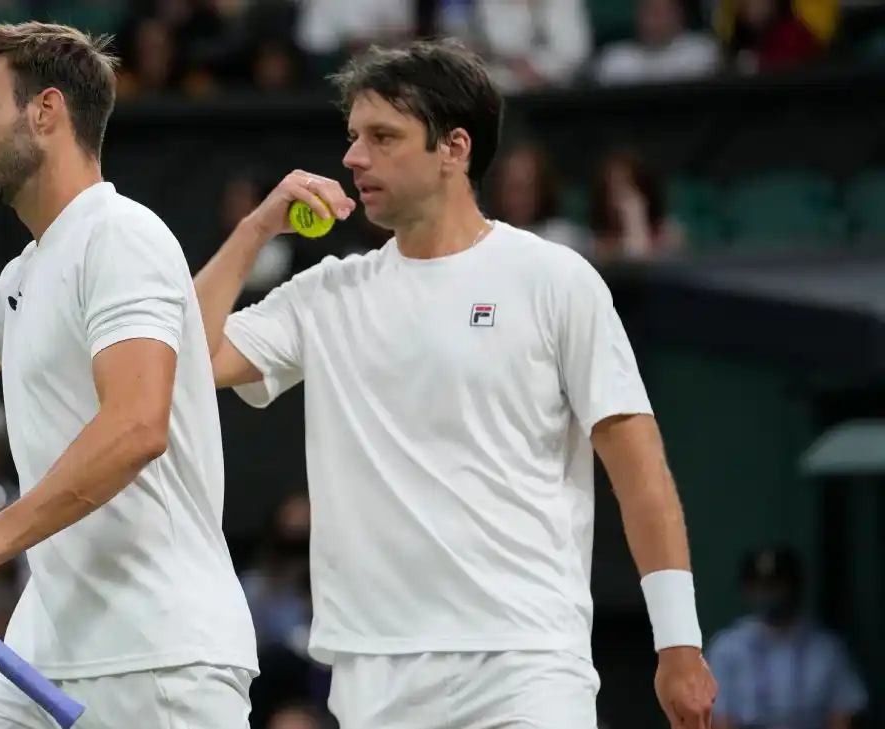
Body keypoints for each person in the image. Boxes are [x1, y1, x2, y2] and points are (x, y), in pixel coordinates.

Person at [193, 39, 717, 729]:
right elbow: (184, 361)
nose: (353, 158)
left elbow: (639, 469)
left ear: (454, 148)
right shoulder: (328, 294)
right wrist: (257, 227)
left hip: (526, 662)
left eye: (383, 137)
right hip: (374, 676)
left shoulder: (555, 279)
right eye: (353, 137)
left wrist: (679, 642)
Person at [0, 21, 257, 729]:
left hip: (158, 656)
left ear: (45, 112)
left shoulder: (120, 235)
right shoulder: (29, 272)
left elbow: (137, 425)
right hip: (46, 652)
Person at [706, 544, 867, 729]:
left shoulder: (827, 649)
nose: (765, 593)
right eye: (757, 585)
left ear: (794, 587)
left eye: (774, 585)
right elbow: (718, 718)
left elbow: (843, 714)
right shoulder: (728, 647)